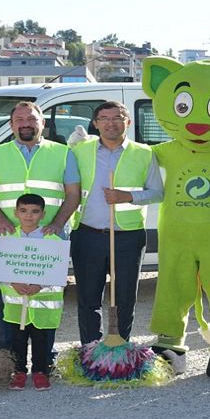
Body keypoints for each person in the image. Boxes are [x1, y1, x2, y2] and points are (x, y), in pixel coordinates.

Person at [0, 101, 80, 355]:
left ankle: (47, 358)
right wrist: (0, 220)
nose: (25, 123)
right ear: (12, 125)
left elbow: (73, 194)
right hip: (11, 237)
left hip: (49, 238)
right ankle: (10, 359)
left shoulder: (63, 152)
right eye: (19, 119)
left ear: (42, 123)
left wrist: (57, 223)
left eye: (31, 119)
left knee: (47, 298)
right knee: (10, 297)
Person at [70, 101, 162, 345]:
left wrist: (128, 196)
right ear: (96, 124)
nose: (111, 123)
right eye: (105, 118)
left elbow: (157, 193)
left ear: (128, 122)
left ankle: (120, 348)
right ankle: (90, 349)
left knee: (124, 298)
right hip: (88, 234)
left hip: (128, 236)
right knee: (88, 297)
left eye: (118, 117)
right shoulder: (80, 150)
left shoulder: (144, 153)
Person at [1, 194, 64, 391]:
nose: (29, 216)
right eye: (24, 211)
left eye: (35, 211)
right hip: (16, 304)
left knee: (41, 340)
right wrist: (13, 282)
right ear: (16, 213)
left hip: (42, 305)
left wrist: (41, 285)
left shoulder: (52, 239)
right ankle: (19, 372)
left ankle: (40, 372)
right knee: (17, 340)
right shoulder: (8, 238)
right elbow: (2, 267)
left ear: (43, 214)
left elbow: (57, 271)